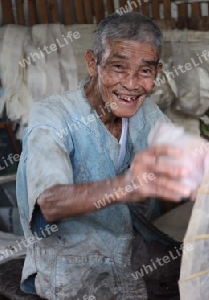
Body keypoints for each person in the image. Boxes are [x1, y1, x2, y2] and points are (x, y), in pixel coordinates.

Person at [16, 12, 199, 300]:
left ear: (157, 72)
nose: (131, 83)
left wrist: (203, 169)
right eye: (118, 67)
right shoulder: (52, 115)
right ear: (93, 63)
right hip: (70, 268)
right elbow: (49, 203)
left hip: (137, 258)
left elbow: (179, 162)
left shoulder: (147, 112)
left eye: (145, 71)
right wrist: (129, 185)